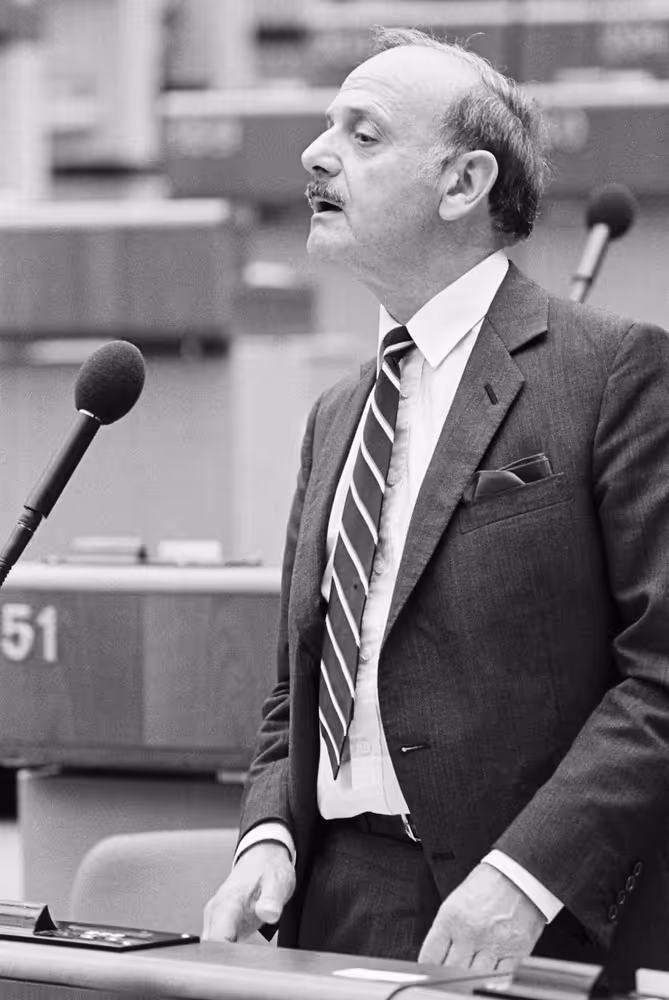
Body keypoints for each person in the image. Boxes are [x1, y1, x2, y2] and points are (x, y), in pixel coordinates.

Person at [203, 27, 669, 987]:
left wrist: (528, 874)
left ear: (463, 184)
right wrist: (268, 836)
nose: (315, 153)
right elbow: (301, 685)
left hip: (523, 917)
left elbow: (658, 673)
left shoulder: (614, 371)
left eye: (363, 134)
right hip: (330, 906)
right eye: (326, 125)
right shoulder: (338, 413)